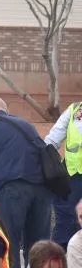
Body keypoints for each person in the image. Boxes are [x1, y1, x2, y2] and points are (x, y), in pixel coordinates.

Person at [0, 96, 52, 268]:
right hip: (43, 189)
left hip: (12, 187)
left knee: (9, 239)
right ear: (6, 111)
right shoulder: (25, 124)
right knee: (39, 243)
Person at [44, 100, 82, 249]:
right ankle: (57, 262)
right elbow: (52, 139)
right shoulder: (75, 110)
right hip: (71, 176)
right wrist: (44, 159)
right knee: (65, 221)